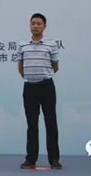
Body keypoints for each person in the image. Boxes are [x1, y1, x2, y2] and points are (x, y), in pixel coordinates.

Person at [17, 13, 62, 170]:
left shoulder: (51, 44)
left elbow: (55, 66)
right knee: (31, 124)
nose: (35, 26)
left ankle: (54, 159)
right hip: (29, 87)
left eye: (39, 23)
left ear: (44, 26)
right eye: (33, 23)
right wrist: (30, 77)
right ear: (30, 26)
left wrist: (43, 75)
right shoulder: (23, 45)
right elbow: (20, 67)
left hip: (46, 86)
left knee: (51, 123)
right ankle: (30, 159)